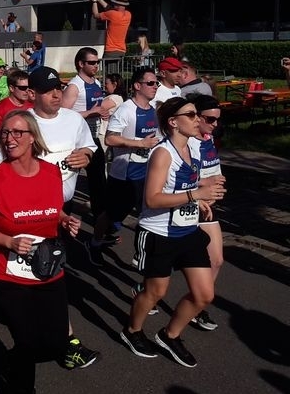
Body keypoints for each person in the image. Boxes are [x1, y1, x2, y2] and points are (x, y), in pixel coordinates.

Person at [0, 110, 80, 394]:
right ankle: (21, 392)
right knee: (28, 339)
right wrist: (8, 241)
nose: (9, 139)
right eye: (6, 133)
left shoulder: (50, 173)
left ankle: (12, 359)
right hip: (7, 271)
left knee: (58, 340)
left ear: (33, 137)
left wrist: (65, 220)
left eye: (18, 132)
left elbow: (53, 210)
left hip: (47, 267)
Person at [120, 97, 225, 367]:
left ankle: (170, 335)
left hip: (187, 231)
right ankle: (132, 331)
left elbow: (185, 183)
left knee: (204, 295)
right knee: (155, 292)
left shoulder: (193, 146)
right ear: (173, 122)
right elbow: (152, 199)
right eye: (191, 115)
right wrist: (195, 194)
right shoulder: (162, 153)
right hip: (159, 232)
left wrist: (200, 199)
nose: (198, 119)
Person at [87, 67, 161, 267]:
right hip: (125, 174)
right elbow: (110, 138)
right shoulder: (126, 110)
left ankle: (143, 254)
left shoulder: (153, 108)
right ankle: (95, 243)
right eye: (151, 83)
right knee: (111, 214)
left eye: (157, 83)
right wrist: (140, 143)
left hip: (148, 173)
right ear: (137, 86)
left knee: (148, 215)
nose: (155, 87)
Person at [185, 94, 225, 331]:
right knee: (170, 264)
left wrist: (218, 182)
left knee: (217, 260)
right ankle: (147, 287)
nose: (214, 124)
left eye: (218, 120)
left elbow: (212, 167)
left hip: (209, 205)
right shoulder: (186, 143)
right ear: (196, 117)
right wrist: (205, 183)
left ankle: (197, 306)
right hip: (189, 203)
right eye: (210, 119)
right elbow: (179, 177)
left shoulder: (209, 138)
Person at [62, 47, 108, 221]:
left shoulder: (95, 83)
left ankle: (101, 222)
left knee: (98, 183)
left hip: (93, 138)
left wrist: (102, 113)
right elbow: (63, 114)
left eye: (97, 62)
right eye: (92, 63)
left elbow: (97, 108)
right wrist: (90, 113)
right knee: (69, 181)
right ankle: (62, 219)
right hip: (76, 141)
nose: (96, 66)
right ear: (81, 64)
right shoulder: (74, 86)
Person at [0, 69, 33, 143]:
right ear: (11, 88)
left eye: (29, 87)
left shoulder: (33, 105)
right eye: (22, 88)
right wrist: (10, 141)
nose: (27, 90)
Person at [90, 0, 132, 74]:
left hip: (111, 50)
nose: (113, 5)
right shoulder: (128, 14)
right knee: (116, 75)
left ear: (117, 4)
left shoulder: (112, 14)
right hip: (122, 50)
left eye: (114, 3)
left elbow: (96, 15)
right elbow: (109, 8)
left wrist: (94, 2)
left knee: (109, 77)